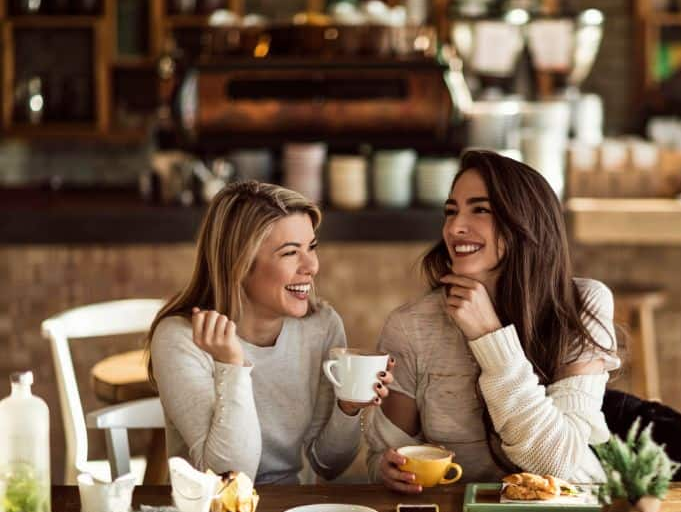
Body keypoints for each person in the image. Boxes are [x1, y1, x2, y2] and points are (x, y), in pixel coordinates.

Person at [366, 150, 620, 493]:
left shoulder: (581, 305)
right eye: (451, 211)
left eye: (480, 209)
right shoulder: (411, 326)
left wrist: (490, 337)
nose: (455, 227)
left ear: (524, 222)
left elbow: (561, 466)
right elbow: (384, 456)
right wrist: (387, 468)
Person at [147, 181, 393, 485]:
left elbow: (329, 465)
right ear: (239, 263)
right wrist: (232, 366)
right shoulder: (182, 338)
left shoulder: (322, 326)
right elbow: (230, 478)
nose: (312, 266)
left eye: (311, 247)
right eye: (290, 253)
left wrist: (348, 408)